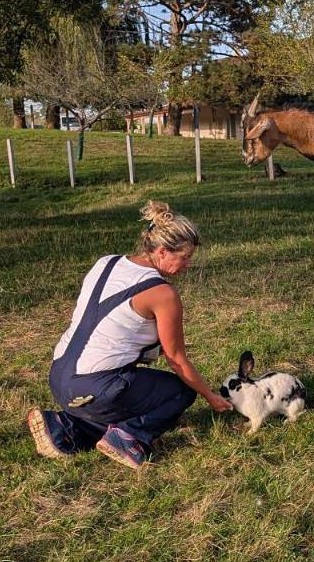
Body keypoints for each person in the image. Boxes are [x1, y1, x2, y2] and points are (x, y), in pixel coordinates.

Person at [27, 201, 234, 469]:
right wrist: (210, 396)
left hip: (59, 376)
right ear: (162, 252)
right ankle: (128, 437)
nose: (189, 265)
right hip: (97, 386)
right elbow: (177, 360)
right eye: (184, 257)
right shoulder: (163, 293)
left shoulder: (106, 262)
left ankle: (65, 427)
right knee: (181, 392)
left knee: (117, 395)